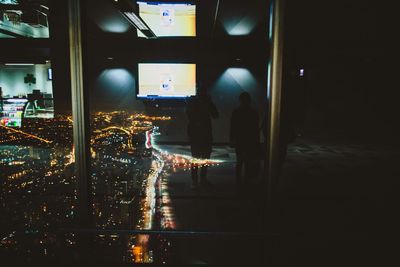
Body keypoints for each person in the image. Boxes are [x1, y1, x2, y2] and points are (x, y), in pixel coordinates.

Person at [186, 91, 219, 189]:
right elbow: (215, 115)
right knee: (203, 158)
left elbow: (189, 116)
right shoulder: (200, 103)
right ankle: (201, 180)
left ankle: (196, 181)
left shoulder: (192, 102)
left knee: (197, 158)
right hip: (204, 134)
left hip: (197, 135)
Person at [230, 92, 260, 190]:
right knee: (248, 162)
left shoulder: (236, 112)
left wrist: (231, 139)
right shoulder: (253, 113)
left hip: (240, 139)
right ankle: (245, 181)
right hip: (249, 140)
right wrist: (257, 142)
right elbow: (256, 129)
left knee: (240, 161)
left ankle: (238, 181)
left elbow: (233, 127)